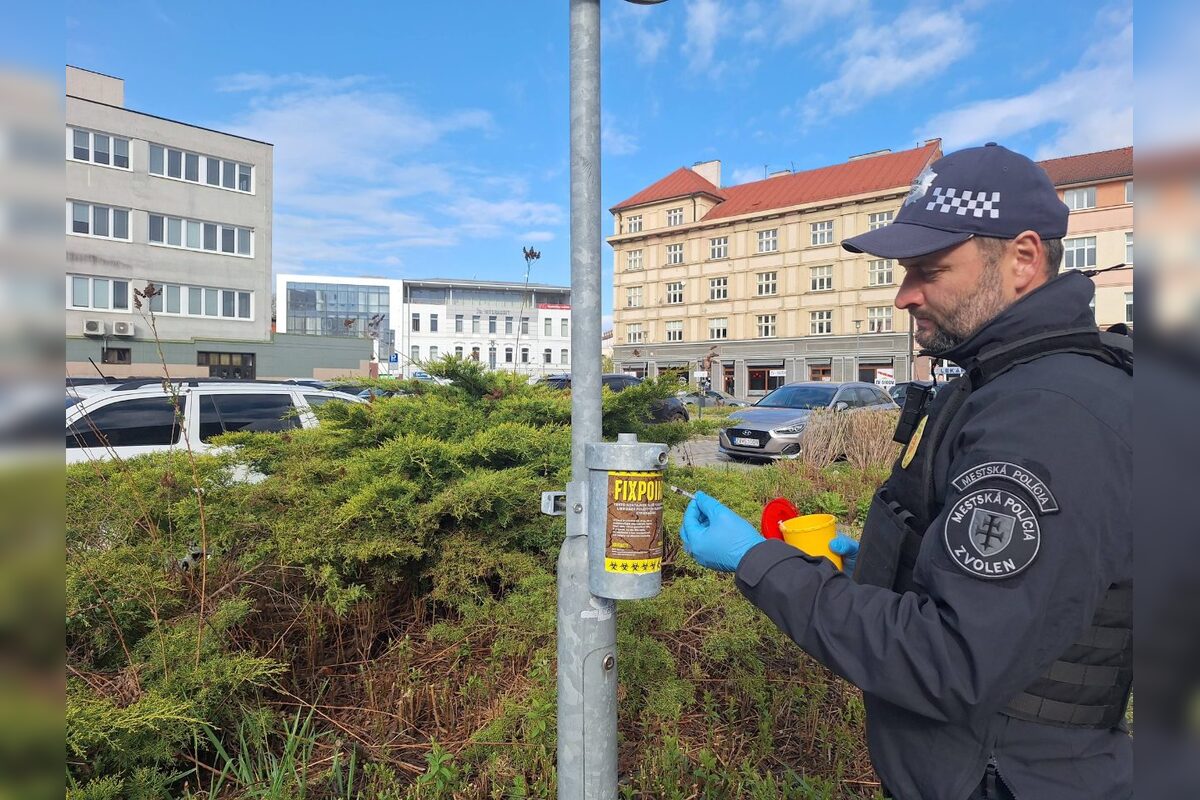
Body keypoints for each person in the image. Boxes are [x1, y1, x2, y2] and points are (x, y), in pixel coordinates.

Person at [679, 143, 1132, 800]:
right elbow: (1018, 588)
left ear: (1024, 260)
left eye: (929, 269)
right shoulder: (1006, 384)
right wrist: (905, 560)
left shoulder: (1045, 414)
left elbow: (950, 660)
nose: (903, 295)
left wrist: (758, 560)